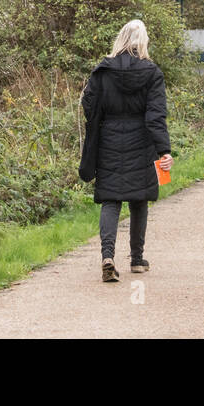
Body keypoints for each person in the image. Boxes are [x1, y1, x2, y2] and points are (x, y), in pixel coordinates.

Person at [79, 18, 172, 283]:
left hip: (108, 140)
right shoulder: (151, 73)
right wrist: (164, 150)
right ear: (143, 42)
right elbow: (156, 116)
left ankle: (107, 257)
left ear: (120, 39)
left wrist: (102, 124)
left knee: (110, 200)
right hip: (141, 141)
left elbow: (89, 105)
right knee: (139, 198)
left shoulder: (102, 72)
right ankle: (137, 260)